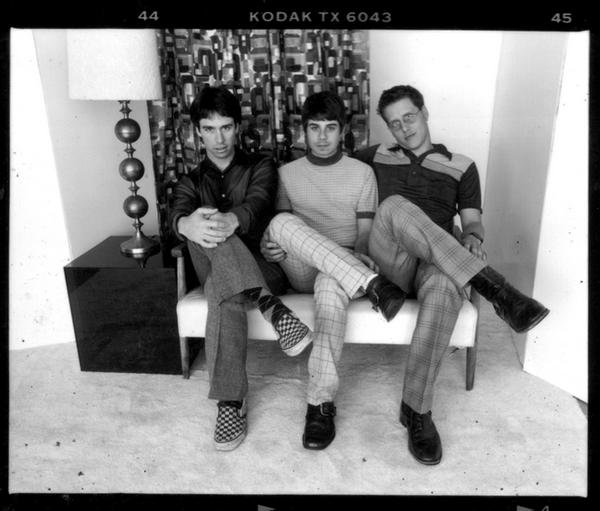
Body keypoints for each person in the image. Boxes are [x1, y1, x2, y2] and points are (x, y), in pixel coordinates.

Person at [354, 84, 549, 465]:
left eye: (409, 117)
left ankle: (416, 410)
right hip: (389, 261)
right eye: (394, 124)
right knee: (394, 206)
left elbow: (472, 222)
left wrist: (473, 239)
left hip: (437, 262)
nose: (404, 128)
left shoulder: (462, 165)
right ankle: (496, 290)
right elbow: (329, 165)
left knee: (445, 286)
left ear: (425, 113)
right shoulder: (373, 156)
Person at [169, 86, 313, 451]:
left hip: (264, 268)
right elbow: (178, 212)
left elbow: (258, 203)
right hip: (212, 263)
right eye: (209, 129)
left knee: (223, 290)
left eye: (226, 128)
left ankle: (230, 404)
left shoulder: (261, 166)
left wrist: (228, 221)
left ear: (237, 127)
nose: (219, 139)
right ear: (197, 132)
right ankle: (275, 313)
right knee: (199, 224)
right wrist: (185, 224)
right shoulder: (189, 181)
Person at [261, 91, 407, 450]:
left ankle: (319, 404)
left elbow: (364, 237)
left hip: (342, 268)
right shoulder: (286, 174)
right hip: (301, 266)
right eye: (314, 128)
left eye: (330, 128)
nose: (322, 136)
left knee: (331, 282)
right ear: (304, 131)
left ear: (343, 131)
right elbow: (282, 232)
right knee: (279, 223)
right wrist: (268, 245)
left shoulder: (362, 173)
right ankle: (373, 284)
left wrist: (352, 259)